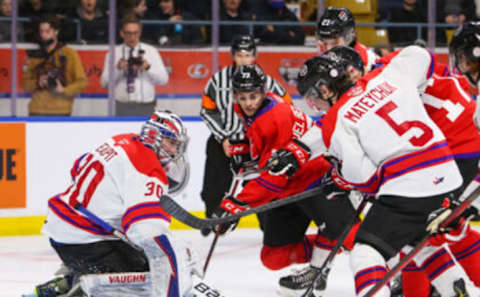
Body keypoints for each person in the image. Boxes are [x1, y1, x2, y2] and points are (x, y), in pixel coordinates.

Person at [268, 47, 480, 297]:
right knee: (418, 241)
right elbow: (420, 55)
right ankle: (456, 290)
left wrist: (340, 179)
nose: (314, 103)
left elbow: (362, 176)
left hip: (409, 187)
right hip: (448, 174)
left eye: (314, 96)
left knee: (365, 252)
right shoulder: (387, 76)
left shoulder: (337, 119)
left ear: (326, 89)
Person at [214, 64, 358, 297]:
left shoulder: (273, 117)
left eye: (253, 96)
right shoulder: (259, 110)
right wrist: (246, 155)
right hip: (291, 187)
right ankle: (329, 245)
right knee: (274, 257)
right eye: (243, 97)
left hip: (317, 180)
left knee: (355, 239)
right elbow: (272, 158)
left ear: (263, 92)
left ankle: (321, 266)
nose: (248, 102)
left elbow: (275, 177)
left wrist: (236, 205)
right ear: (235, 96)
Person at [34, 110, 200, 297]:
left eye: (177, 145)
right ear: (154, 137)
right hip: (84, 240)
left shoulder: (123, 140)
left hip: (63, 225)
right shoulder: (149, 169)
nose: (174, 151)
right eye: (171, 143)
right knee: (149, 280)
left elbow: (77, 168)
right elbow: (149, 233)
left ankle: (68, 282)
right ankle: (83, 289)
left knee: (140, 260)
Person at [199, 34, 291, 236]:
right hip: (225, 141)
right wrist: (222, 136)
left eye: (248, 55)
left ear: (254, 56)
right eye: (240, 55)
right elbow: (207, 110)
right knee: (214, 185)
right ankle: (214, 217)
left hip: (258, 144)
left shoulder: (267, 82)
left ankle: (269, 224)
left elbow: (287, 108)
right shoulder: (217, 80)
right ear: (233, 56)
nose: (244, 60)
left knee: (262, 185)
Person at [100, 17, 169, 116]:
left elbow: (164, 80)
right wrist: (117, 69)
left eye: (135, 33)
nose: (132, 37)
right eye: (128, 33)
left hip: (146, 106)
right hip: (121, 106)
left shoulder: (151, 51)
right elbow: (104, 83)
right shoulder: (113, 53)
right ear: (122, 33)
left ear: (140, 33)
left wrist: (148, 68)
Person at [21, 16, 87, 116]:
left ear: (56, 32)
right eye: (41, 31)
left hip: (61, 110)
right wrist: (38, 83)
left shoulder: (69, 54)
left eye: (47, 31)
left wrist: (64, 90)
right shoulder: (37, 55)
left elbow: (82, 82)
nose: (43, 35)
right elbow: (25, 83)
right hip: (37, 110)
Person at [317, 7, 378, 71]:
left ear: (348, 37)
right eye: (324, 43)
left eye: (335, 43)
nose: (328, 49)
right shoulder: (326, 56)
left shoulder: (364, 59)